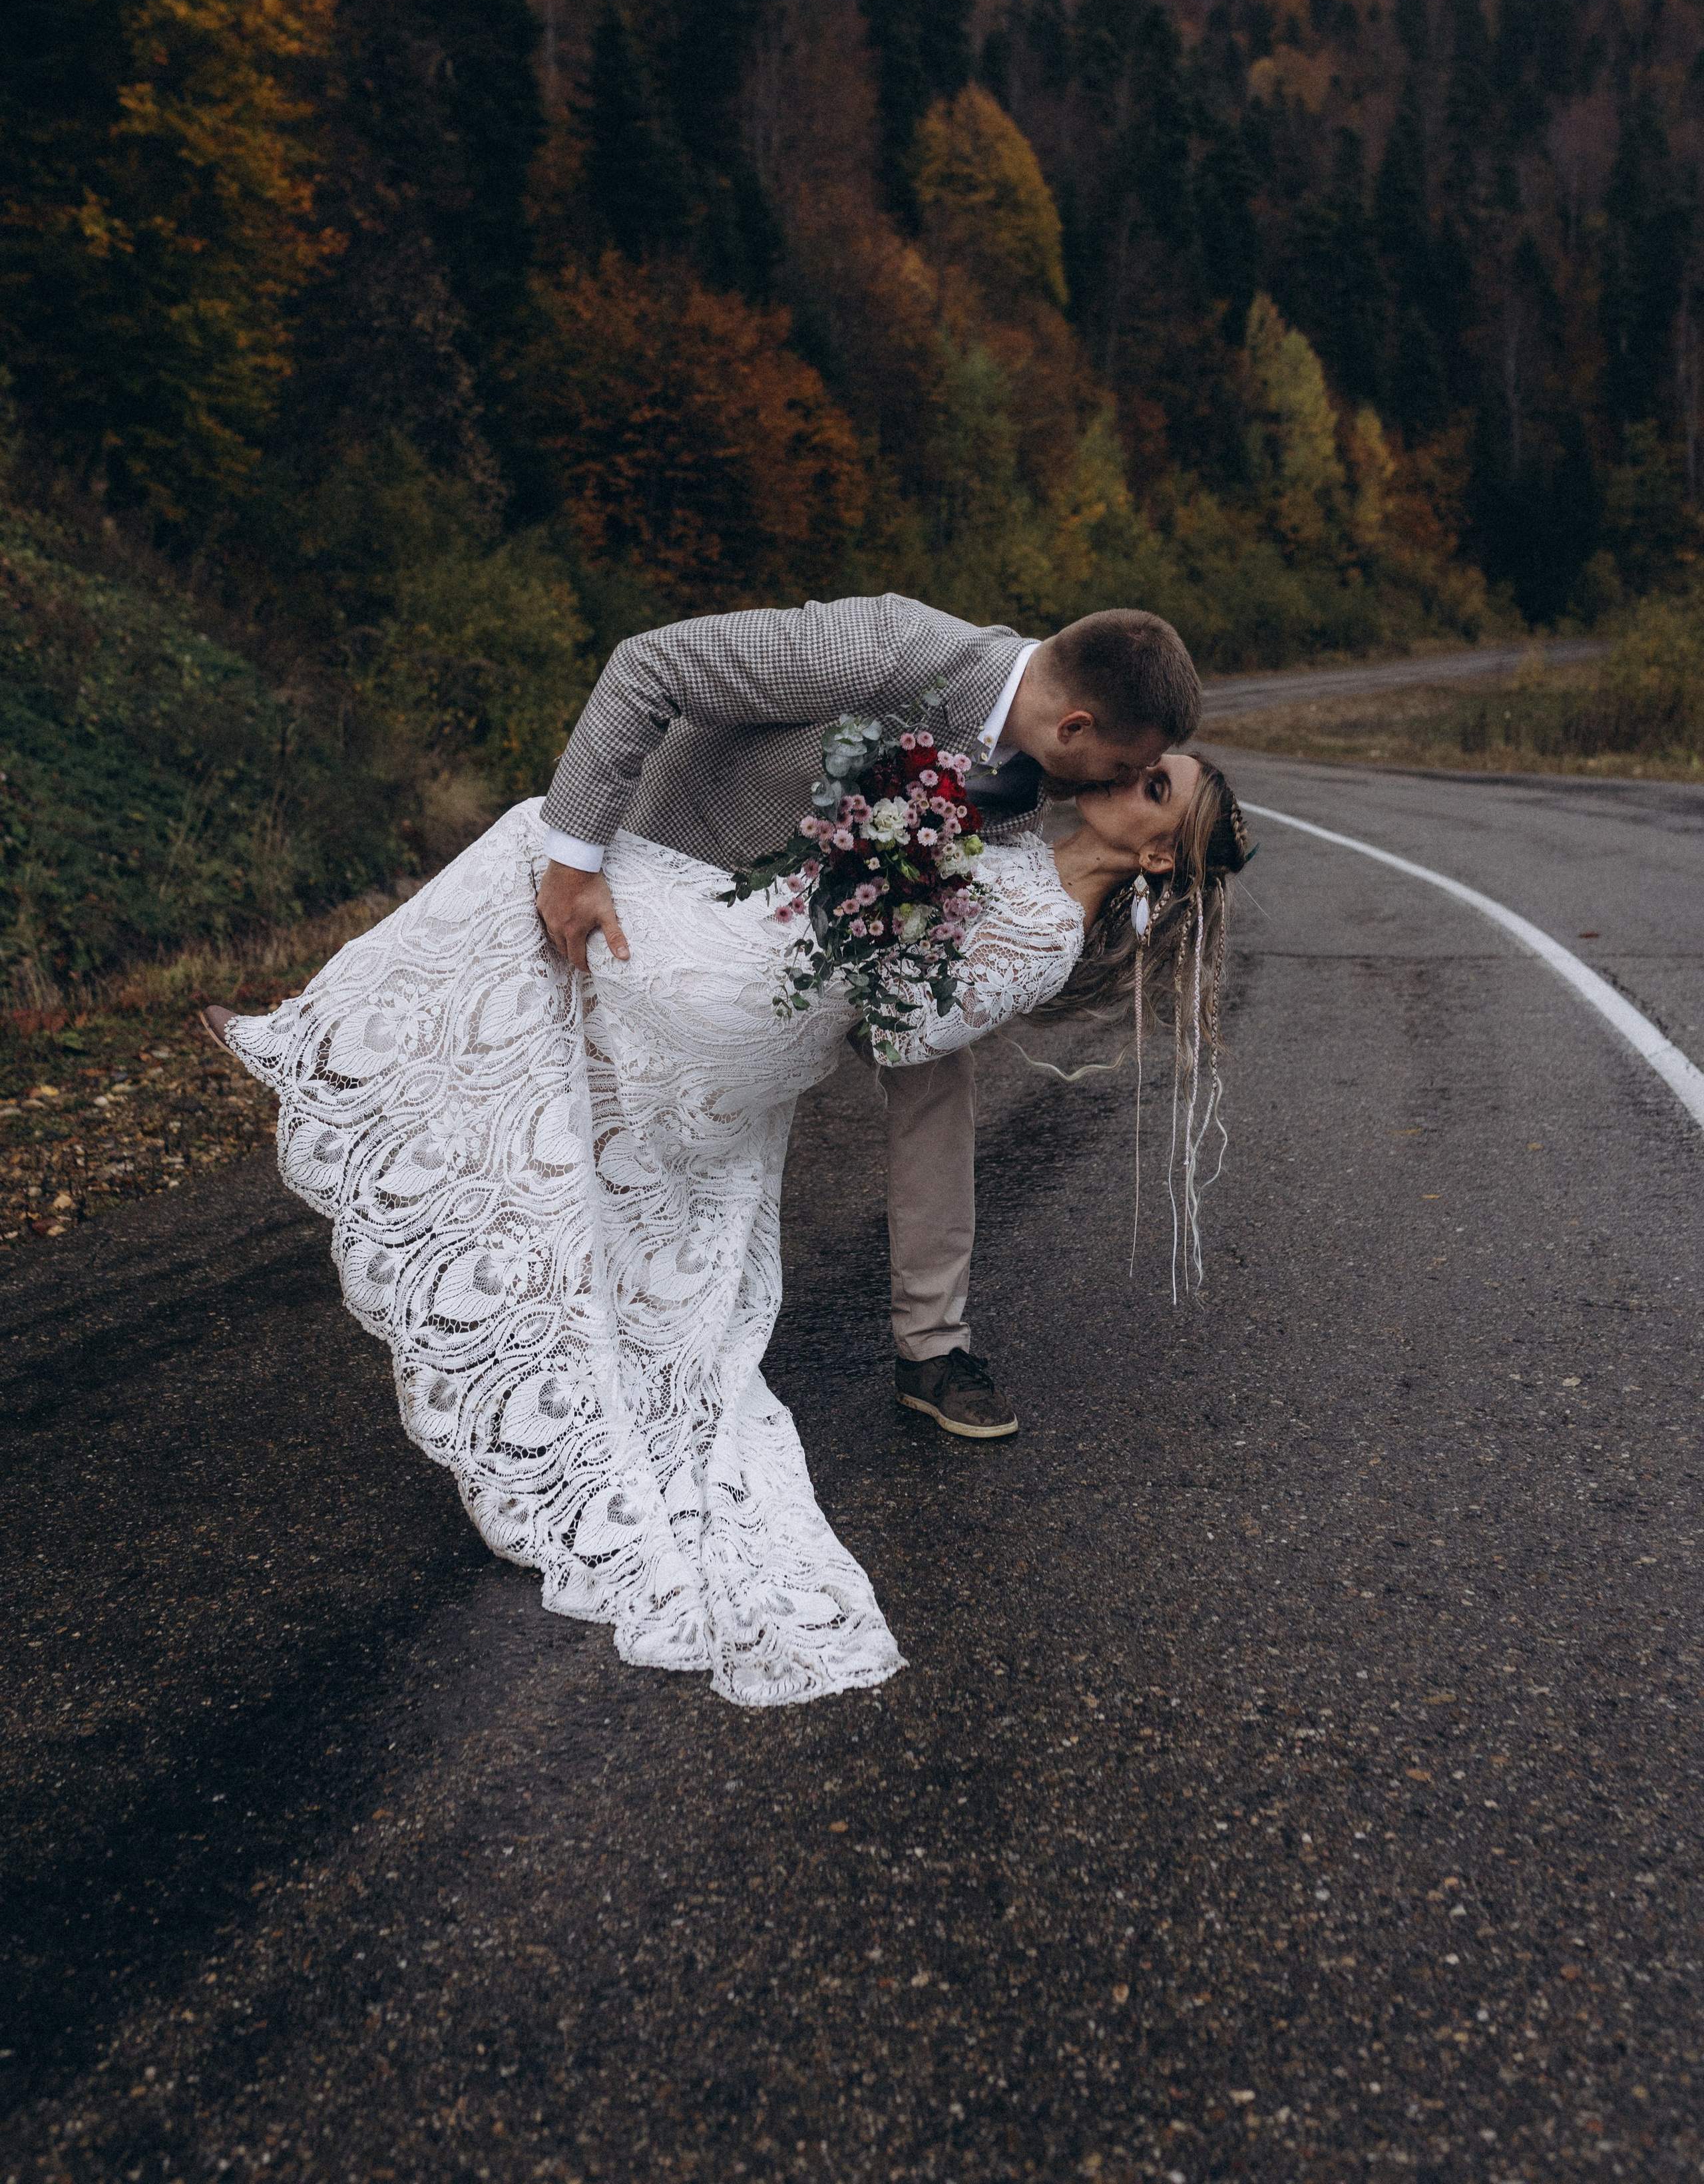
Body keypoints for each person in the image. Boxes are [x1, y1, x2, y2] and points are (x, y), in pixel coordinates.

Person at [202, 704, 1250, 1708]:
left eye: (1153, 786)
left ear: (1159, 857)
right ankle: (337, 1051)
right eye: (1139, 760)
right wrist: (887, 842)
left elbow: (906, 1036)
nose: (1125, 772)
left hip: (759, 1000)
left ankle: (320, 1043)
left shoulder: (1047, 932)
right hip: (766, 980)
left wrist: (880, 888)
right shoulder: (1032, 843)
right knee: (590, 1083)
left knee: (546, 839)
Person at [529, 595, 1202, 1442]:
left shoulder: (1029, 787)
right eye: (1118, 767)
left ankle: (932, 1348)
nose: (1106, 789)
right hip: (684, 873)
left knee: (937, 1074)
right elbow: (648, 666)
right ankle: (589, 1313)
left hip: (843, 940)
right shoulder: (890, 646)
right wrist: (573, 862)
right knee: (634, 1115)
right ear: (1073, 726)